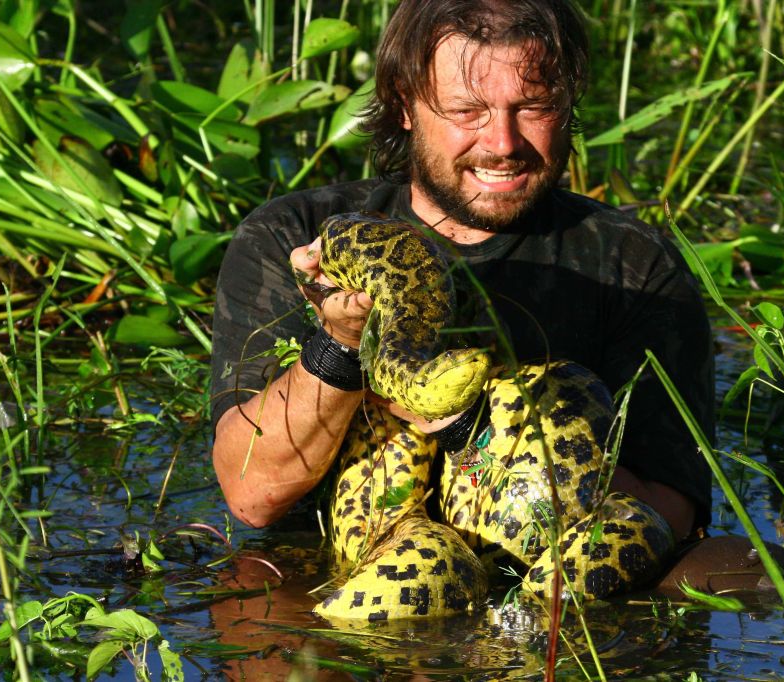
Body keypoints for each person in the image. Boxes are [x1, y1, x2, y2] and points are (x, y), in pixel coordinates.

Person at [210, 0, 714, 556]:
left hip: (537, 565)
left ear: (567, 105)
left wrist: (475, 430)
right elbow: (252, 495)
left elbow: (671, 511)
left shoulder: (634, 264)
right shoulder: (295, 235)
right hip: (331, 564)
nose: (502, 143)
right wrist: (342, 343)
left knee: (734, 570)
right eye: (467, 111)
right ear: (404, 105)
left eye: (533, 107)